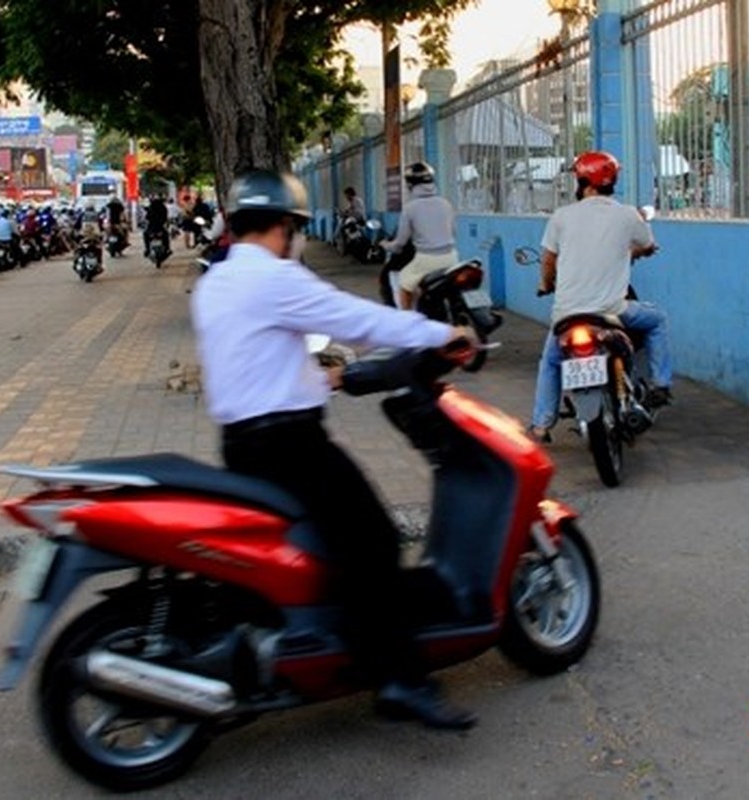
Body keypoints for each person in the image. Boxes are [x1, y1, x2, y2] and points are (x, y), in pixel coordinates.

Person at [191, 169, 478, 730]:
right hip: (290, 445)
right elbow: (359, 318)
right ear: (283, 226)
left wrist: (323, 378)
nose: (295, 239)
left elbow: (253, 354)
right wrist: (442, 334)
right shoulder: (274, 278)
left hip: (242, 442)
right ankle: (399, 679)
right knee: (373, 541)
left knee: (328, 546)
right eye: (295, 229)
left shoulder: (216, 282)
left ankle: (326, 640)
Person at [527, 150, 673, 443]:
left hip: (567, 316)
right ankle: (660, 384)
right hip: (613, 311)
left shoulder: (562, 217)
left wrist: (546, 284)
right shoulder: (628, 215)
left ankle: (541, 426)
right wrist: (638, 250)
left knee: (551, 362)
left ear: (583, 182)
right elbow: (648, 244)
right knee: (657, 320)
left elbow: (548, 261)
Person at [382, 162, 458, 310]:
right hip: (451, 258)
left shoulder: (410, 208)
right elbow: (454, 232)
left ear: (410, 185)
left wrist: (385, 245)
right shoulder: (445, 203)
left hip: (426, 260)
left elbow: (400, 243)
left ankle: (407, 322)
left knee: (403, 284)